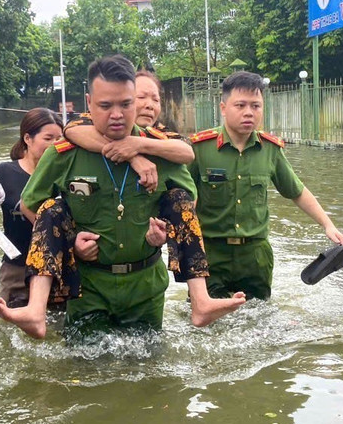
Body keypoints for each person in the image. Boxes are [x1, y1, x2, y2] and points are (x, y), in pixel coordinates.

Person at [0, 55, 241, 340]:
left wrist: (162, 230)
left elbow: (189, 202)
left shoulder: (160, 151)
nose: (117, 114)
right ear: (89, 103)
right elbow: (30, 203)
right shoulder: (65, 154)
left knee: (151, 374)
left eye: (125, 104)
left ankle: (201, 299)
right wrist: (72, 240)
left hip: (145, 288)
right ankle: (35, 310)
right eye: (105, 105)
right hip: (89, 289)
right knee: (85, 373)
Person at [53, 70, 244, 325]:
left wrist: (140, 146)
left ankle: (200, 298)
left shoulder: (164, 144)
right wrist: (131, 155)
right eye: (141, 97)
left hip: (146, 281)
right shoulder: (83, 135)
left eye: (155, 99)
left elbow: (187, 161)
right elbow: (71, 129)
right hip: (90, 284)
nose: (149, 105)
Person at [190, 71, 343, 301]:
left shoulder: (270, 149)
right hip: (210, 253)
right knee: (209, 322)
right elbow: (184, 198)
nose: (248, 112)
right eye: (240, 105)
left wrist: (327, 224)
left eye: (256, 106)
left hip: (255, 255)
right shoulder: (200, 149)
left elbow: (297, 191)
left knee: (259, 318)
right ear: (223, 108)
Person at [0, 108, 63, 308]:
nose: (55, 145)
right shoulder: (4, 173)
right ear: (27, 138)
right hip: (17, 270)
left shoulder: (65, 177)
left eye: (60, 138)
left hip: (58, 269)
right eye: (48, 138)